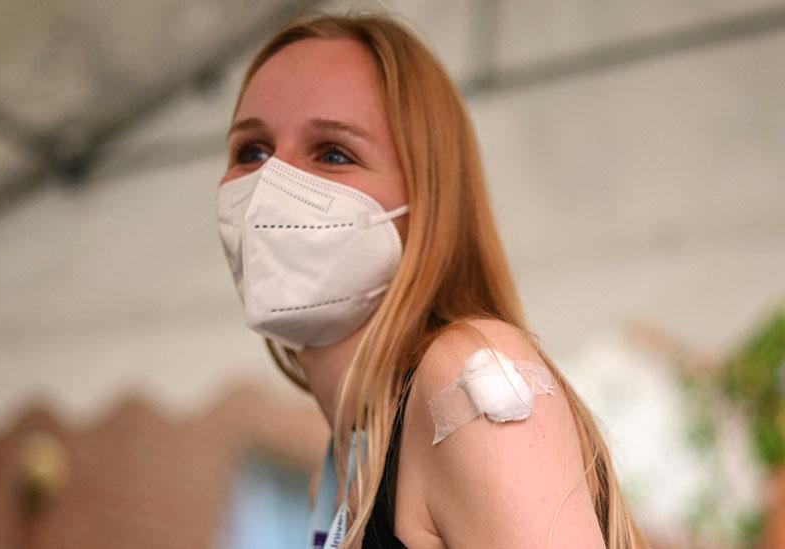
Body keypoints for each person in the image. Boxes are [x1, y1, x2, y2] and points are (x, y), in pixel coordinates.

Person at [215, 12, 646, 549]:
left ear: (428, 204)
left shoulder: (472, 379)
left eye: (332, 153)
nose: (270, 189)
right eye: (251, 151)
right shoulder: (343, 468)